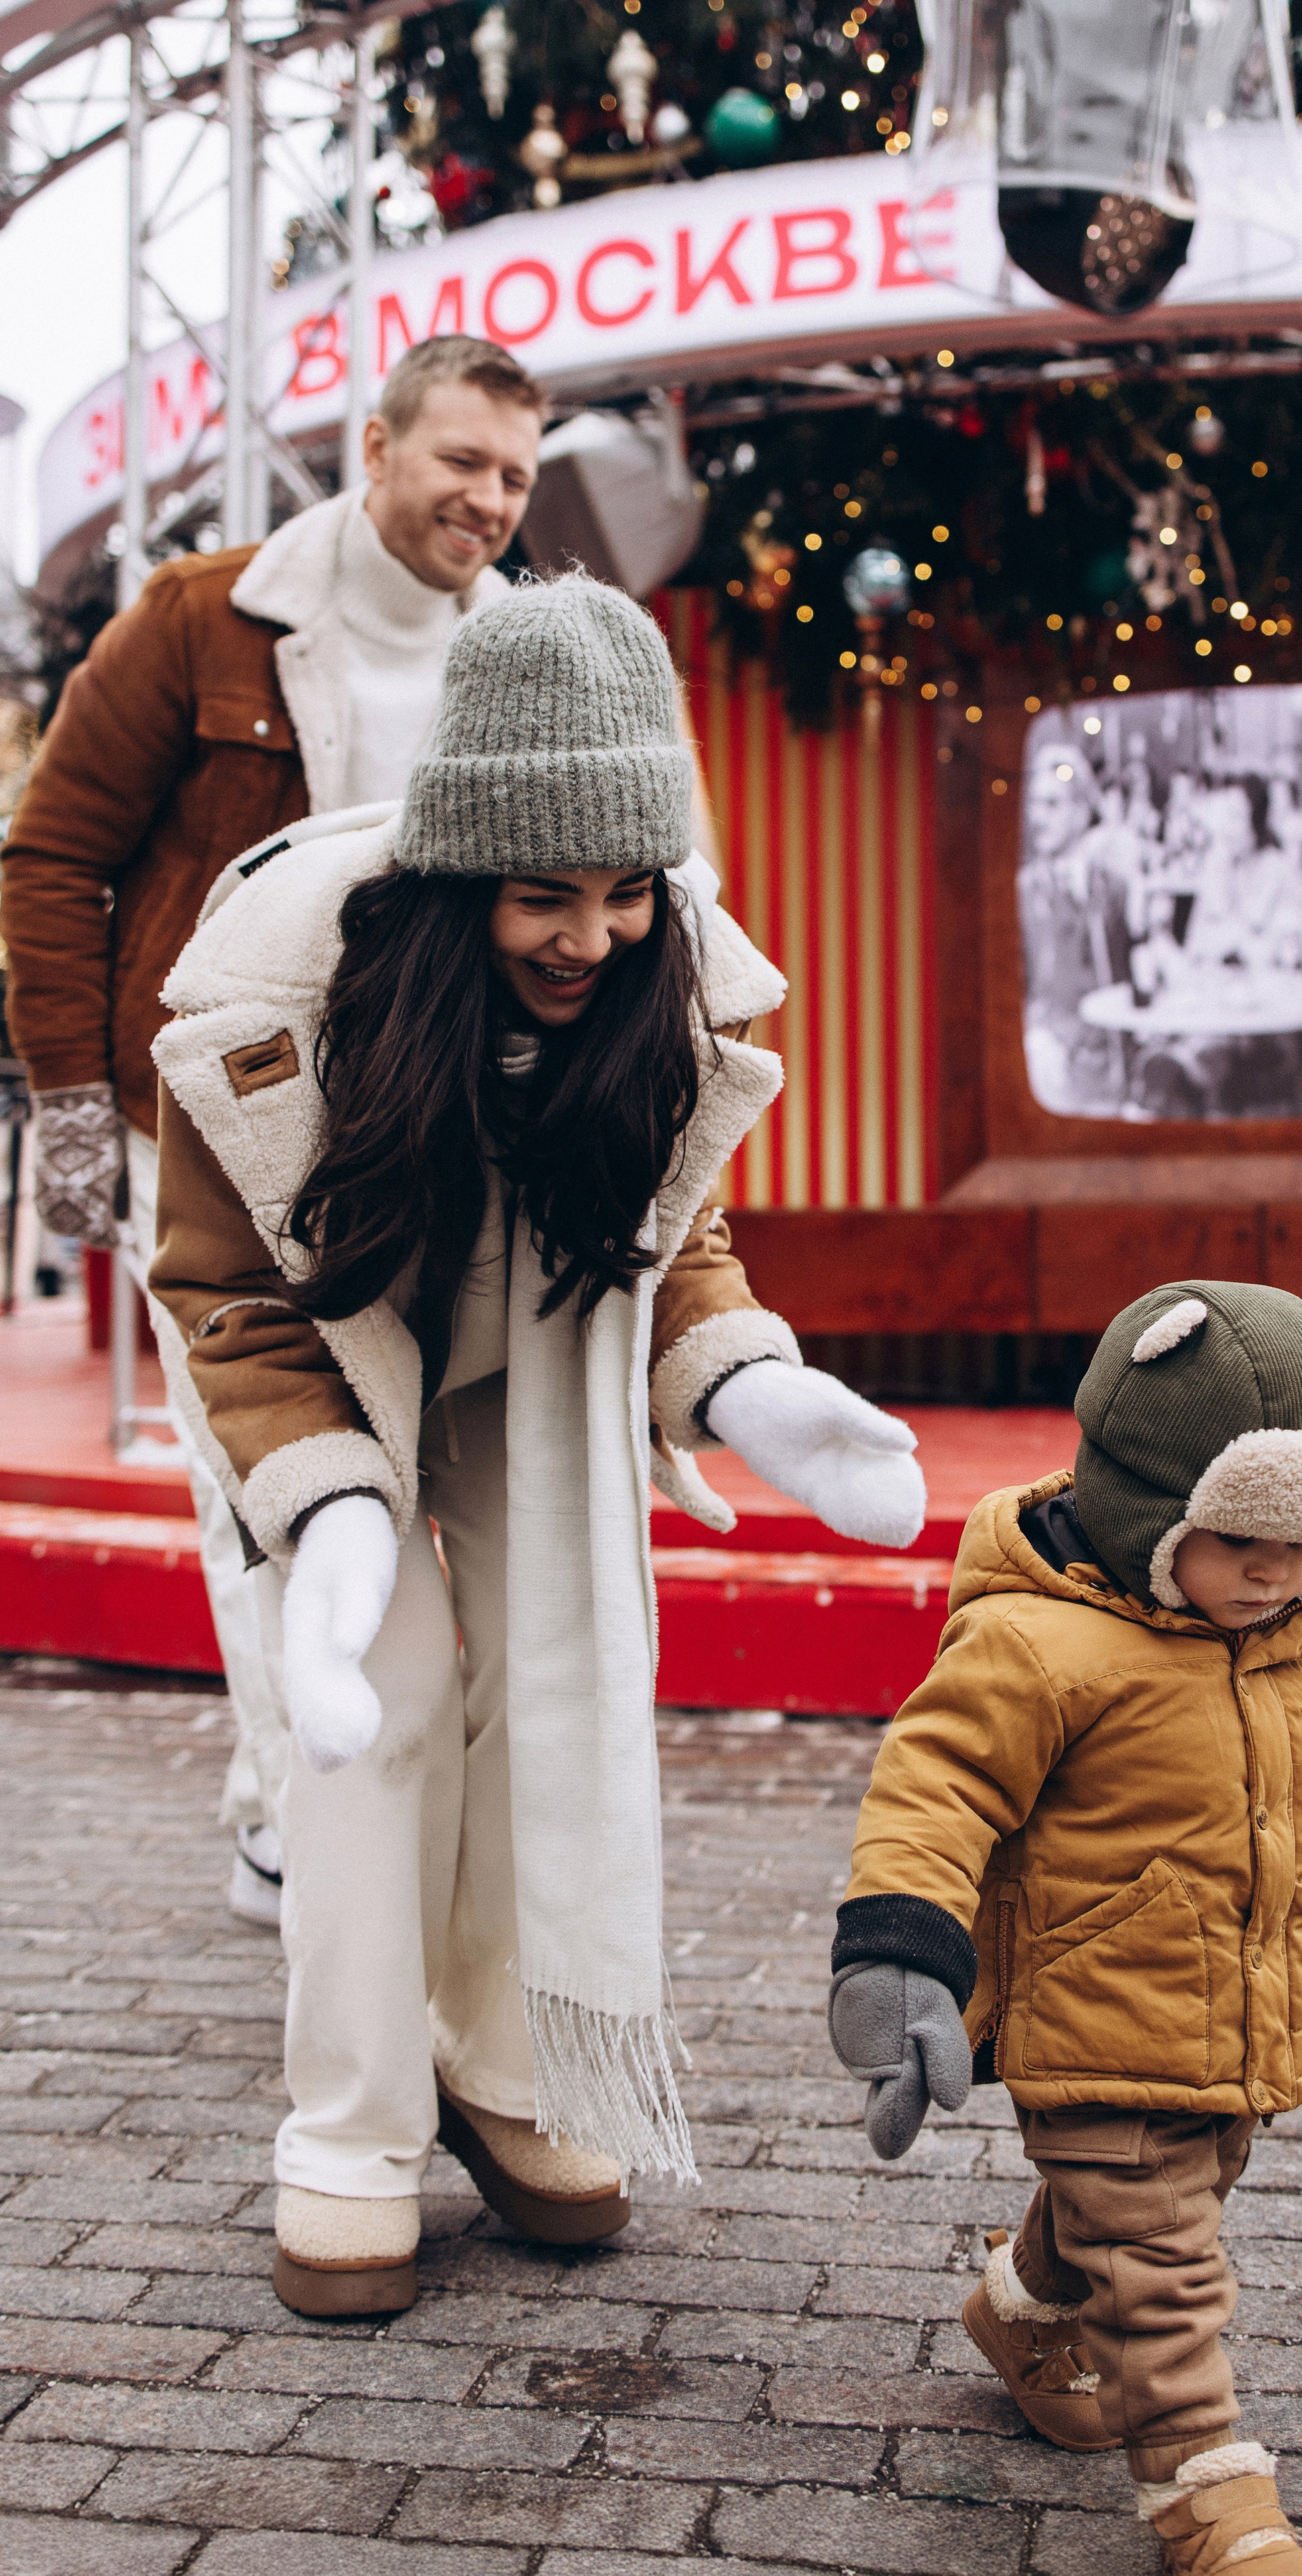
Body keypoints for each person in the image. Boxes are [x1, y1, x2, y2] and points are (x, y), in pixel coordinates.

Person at [147, 572, 926, 2318]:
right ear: (456, 882)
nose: (592, 937)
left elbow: (676, 1236)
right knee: (386, 1698)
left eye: (628, 892)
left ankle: (512, 2068)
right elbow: (225, 1291)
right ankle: (350, 2130)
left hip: (542, 1362)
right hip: (334, 1346)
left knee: (557, 1679)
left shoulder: (668, 995)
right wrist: (336, 1521)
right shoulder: (267, 1011)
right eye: (542, 896)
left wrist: (753, 1387)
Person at [0, 334, 545, 1926]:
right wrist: (72, 1106)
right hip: (215, 1130)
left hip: (430, 1130)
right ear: (374, 449)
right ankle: (305, 1814)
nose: (489, 501)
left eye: (515, 475)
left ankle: (283, 1800)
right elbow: (50, 857)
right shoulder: (199, 618)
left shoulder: (518, 651)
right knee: (267, 1474)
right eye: (461, 462)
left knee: (406, 1472)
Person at [827, 1282, 1302, 2571]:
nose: (1283, 1574)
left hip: (1233, 2023)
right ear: (1146, 1502)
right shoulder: (1040, 1643)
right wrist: (899, 1952)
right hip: (1094, 2011)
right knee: (1166, 2263)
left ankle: (1023, 2310)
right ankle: (1213, 2502)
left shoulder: (1298, 1643)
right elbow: (935, 1787)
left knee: (1158, 2204)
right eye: (1246, 1539)